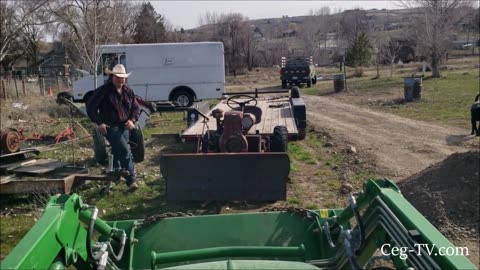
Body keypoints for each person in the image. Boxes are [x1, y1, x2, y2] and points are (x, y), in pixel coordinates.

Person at [87, 64, 140, 192]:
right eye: (118, 77)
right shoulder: (103, 90)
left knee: (117, 152)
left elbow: (136, 108)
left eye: (123, 78)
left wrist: (132, 120)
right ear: (112, 77)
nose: (121, 80)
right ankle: (131, 181)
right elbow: (91, 108)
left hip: (124, 126)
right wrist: (99, 123)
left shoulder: (128, 91)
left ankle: (114, 177)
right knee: (125, 151)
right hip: (110, 127)